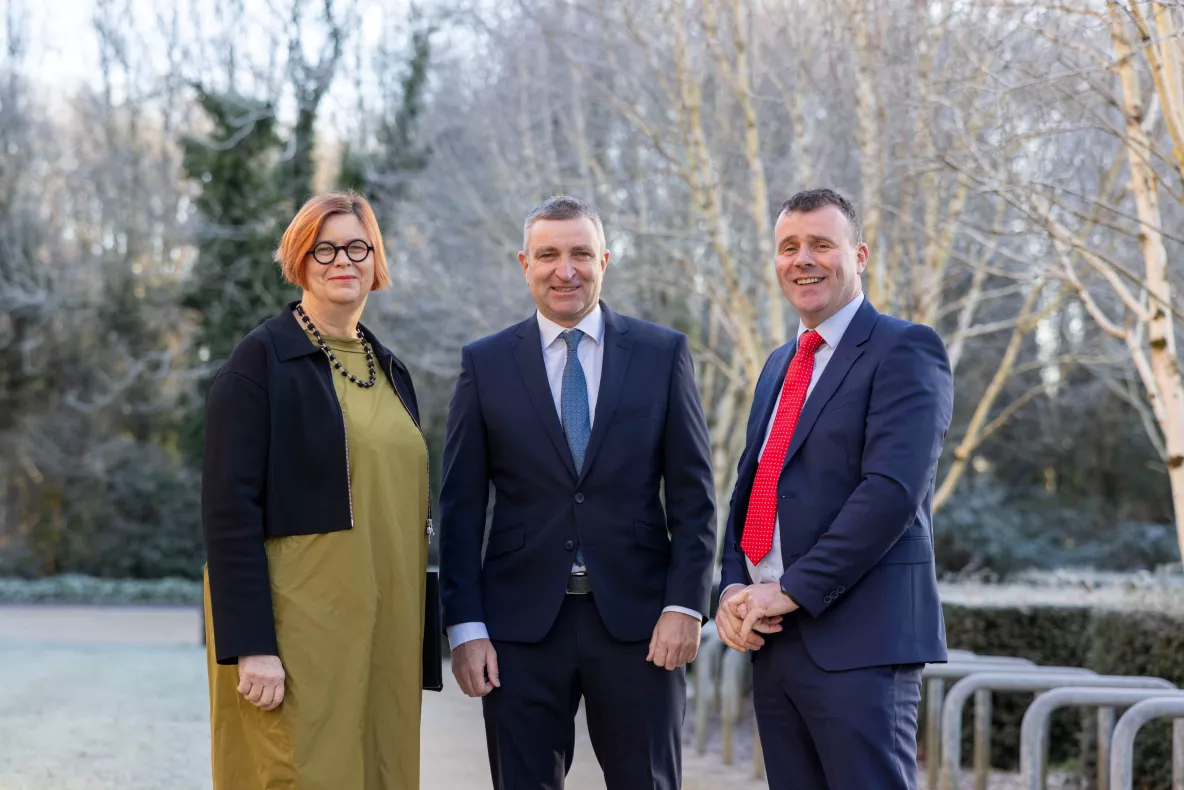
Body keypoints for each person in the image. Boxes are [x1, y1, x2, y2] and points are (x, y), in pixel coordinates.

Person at [438, 195, 716, 790]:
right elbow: (460, 508)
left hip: (642, 626)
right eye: (549, 255)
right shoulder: (484, 364)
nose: (565, 269)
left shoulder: (663, 354)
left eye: (581, 254)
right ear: (524, 263)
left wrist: (686, 605)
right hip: (518, 630)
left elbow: (695, 498)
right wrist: (465, 628)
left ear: (605, 260)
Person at [715, 188, 954, 790]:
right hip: (773, 638)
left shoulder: (905, 349)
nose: (804, 260)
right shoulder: (779, 363)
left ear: (860, 255)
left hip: (860, 641)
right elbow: (755, 486)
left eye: (822, 244)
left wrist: (791, 589)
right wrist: (733, 587)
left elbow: (891, 493)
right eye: (789, 247)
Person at [201, 191, 435, 790]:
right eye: (323, 248)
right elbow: (228, 514)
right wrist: (251, 645)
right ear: (299, 260)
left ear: (376, 257)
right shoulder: (260, 363)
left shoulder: (390, 369)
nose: (342, 261)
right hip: (300, 637)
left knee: (382, 773)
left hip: (384, 635)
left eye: (357, 246)